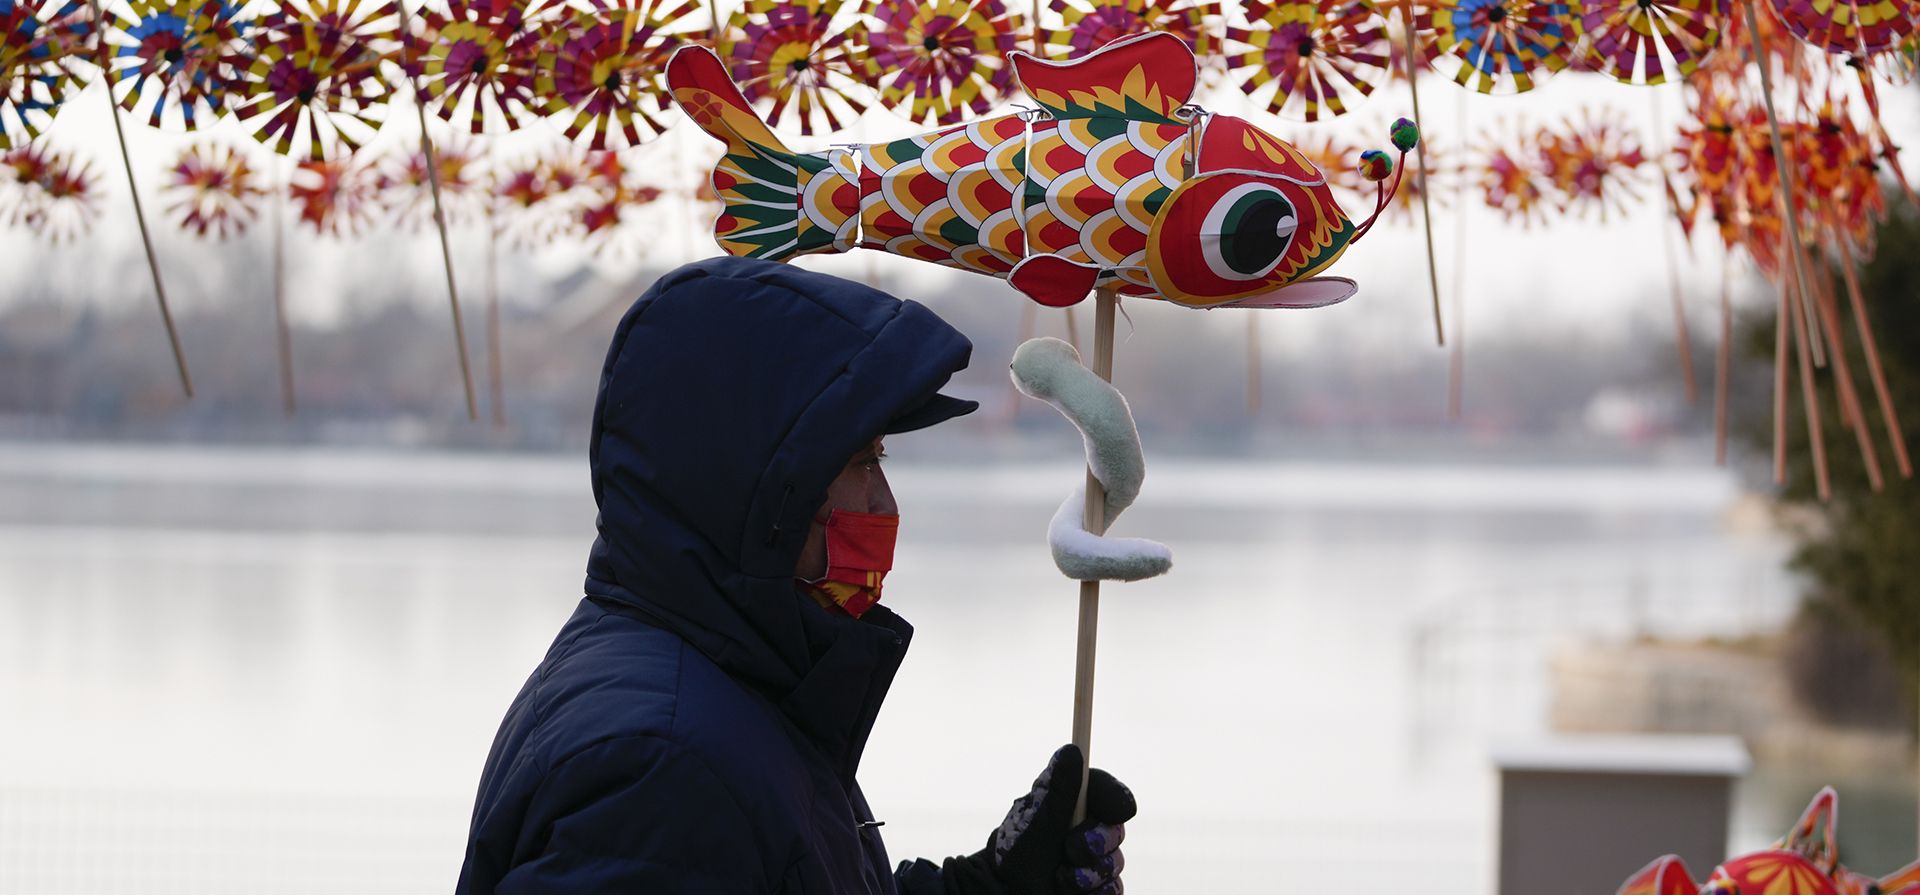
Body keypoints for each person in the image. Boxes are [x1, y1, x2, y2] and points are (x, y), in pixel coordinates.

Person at [454, 256, 1135, 894]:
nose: (883, 506)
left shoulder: (720, 680)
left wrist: (988, 886)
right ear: (761, 484)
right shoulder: (666, 772)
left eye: (882, 461)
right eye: (862, 464)